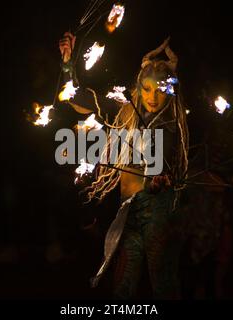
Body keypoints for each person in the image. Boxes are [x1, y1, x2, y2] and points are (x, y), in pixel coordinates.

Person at [59, 32, 189, 299]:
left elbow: (165, 173)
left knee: (162, 281)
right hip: (127, 209)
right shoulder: (124, 111)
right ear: (139, 86)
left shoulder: (171, 125)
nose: (153, 97)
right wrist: (67, 63)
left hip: (158, 211)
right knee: (123, 284)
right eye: (147, 88)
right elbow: (77, 99)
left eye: (160, 89)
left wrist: (160, 183)